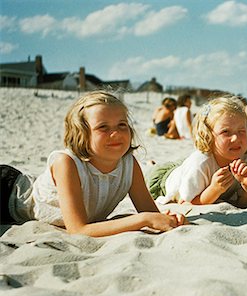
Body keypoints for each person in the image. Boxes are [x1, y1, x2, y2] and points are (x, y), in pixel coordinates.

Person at [0, 91, 185, 236]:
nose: (116, 134)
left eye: (122, 125)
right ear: (82, 134)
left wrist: (167, 218)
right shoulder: (67, 163)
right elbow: (78, 230)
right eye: (103, 127)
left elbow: (150, 213)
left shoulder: (129, 164)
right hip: (6, 194)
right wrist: (143, 220)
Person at [146, 95, 247, 208]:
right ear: (208, 136)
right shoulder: (201, 162)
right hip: (164, 180)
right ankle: (150, 165)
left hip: (188, 168)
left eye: (241, 131)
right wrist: (214, 190)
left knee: (185, 164)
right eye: (226, 132)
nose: (236, 138)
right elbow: (187, 202)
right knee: (153, 171)